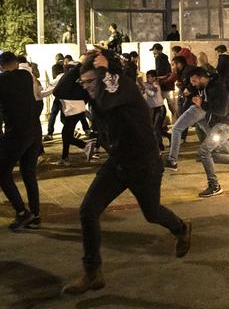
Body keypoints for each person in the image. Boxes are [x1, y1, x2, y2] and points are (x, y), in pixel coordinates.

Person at [62, 50, 191, 295]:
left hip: (144, 164)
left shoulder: (125, 89)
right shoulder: (97, 90)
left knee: (152, 213)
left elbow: (108, 99)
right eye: (84, 82)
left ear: (105, 76)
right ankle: (93, 272)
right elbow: (63, 92)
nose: (87, 87)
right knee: (88, 210)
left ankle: (181, 228)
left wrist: (103, 67)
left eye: (91, 82)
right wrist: (76, 67)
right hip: (118, 163)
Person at [0, 52, 43, 230]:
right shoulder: (26, 76)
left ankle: (21, 212)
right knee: (28, 172)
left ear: (1, 65)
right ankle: (35, 214)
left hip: (16, 132)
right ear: (17, 63)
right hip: (34, 130)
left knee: (2, 172)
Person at [188, 67, 229, 198]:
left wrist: (202, 104)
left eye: (194, 81)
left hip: (224, 125)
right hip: (217, 125)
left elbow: (221, 111)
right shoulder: (206, 86)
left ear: (201, 78)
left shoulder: (217, 88)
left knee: (204, 152)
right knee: (207, 155)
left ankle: (214, 186)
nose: (193, 84)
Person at [52, 60, 95, 166]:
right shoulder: (77, 79)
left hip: (73, 110)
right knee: (66, 133)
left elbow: (54, 91)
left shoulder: (70, 78)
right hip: (75, 109)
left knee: (66, 134)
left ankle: (85, 146)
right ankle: (65, 157)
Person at [164, 56, 202, 171]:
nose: (172, 67)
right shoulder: (187, 71)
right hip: (198, 105)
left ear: (179, 64)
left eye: (173, 64)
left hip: (196, 105)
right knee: (206, 129)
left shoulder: (188, 72)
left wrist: (184, 88)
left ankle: (172, 160)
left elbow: (188, 90)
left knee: (176, 129)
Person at [151, 43, 177, 119]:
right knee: (170, 105)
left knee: (158, 105)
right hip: (168, 85)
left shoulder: (159, 58)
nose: (153, 52)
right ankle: (176, 119)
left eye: (154, 50)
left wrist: (155, 79)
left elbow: (159, 71)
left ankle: (160, 123)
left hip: (163, 85)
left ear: (156, 49)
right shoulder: (165, 58)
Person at [144, 70, 166, 150]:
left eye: (149, 77)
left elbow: (152, 93)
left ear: (154, 78)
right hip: (153, 109)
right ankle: (169, 137)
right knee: (156, 128)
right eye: (147, 77)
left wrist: (144, 88)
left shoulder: (156, 85)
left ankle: (160, 146)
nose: (147, 78)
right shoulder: (148, 84)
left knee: (156, 127)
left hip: (160, 108)